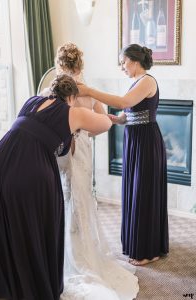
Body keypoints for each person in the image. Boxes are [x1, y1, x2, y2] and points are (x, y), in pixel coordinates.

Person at [0, 74, 112, 300]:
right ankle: (33, 285)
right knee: (36, 225)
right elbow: (105, 123)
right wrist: (93, 96)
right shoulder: (73, 112)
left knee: (6, 223)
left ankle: (7, 284)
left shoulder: (32, 100)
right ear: (71, 97)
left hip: (0, 160)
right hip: (30, 171)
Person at [44, 43, 139, 300]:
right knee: (82, 197)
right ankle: (85, 251)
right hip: (82, 146)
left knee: (65, 197)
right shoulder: (86, 89)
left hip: (60, 149)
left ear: (60, 63)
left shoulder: (51, 89)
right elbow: (101, 122)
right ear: (80, 64)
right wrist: (88, 130)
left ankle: (67, 254)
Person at [78, 43, 169, 266]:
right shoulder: (136, 82)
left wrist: (89, 91)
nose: (122, 67)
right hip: (135, 139)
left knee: (143, 192)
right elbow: (130, 111)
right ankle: (139, 245)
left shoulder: (147, 80)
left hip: (146, 142)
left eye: (123, 62)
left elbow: (123, 102)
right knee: (136, 190)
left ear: (135, 61)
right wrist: (118, 119)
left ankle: (149, 251)